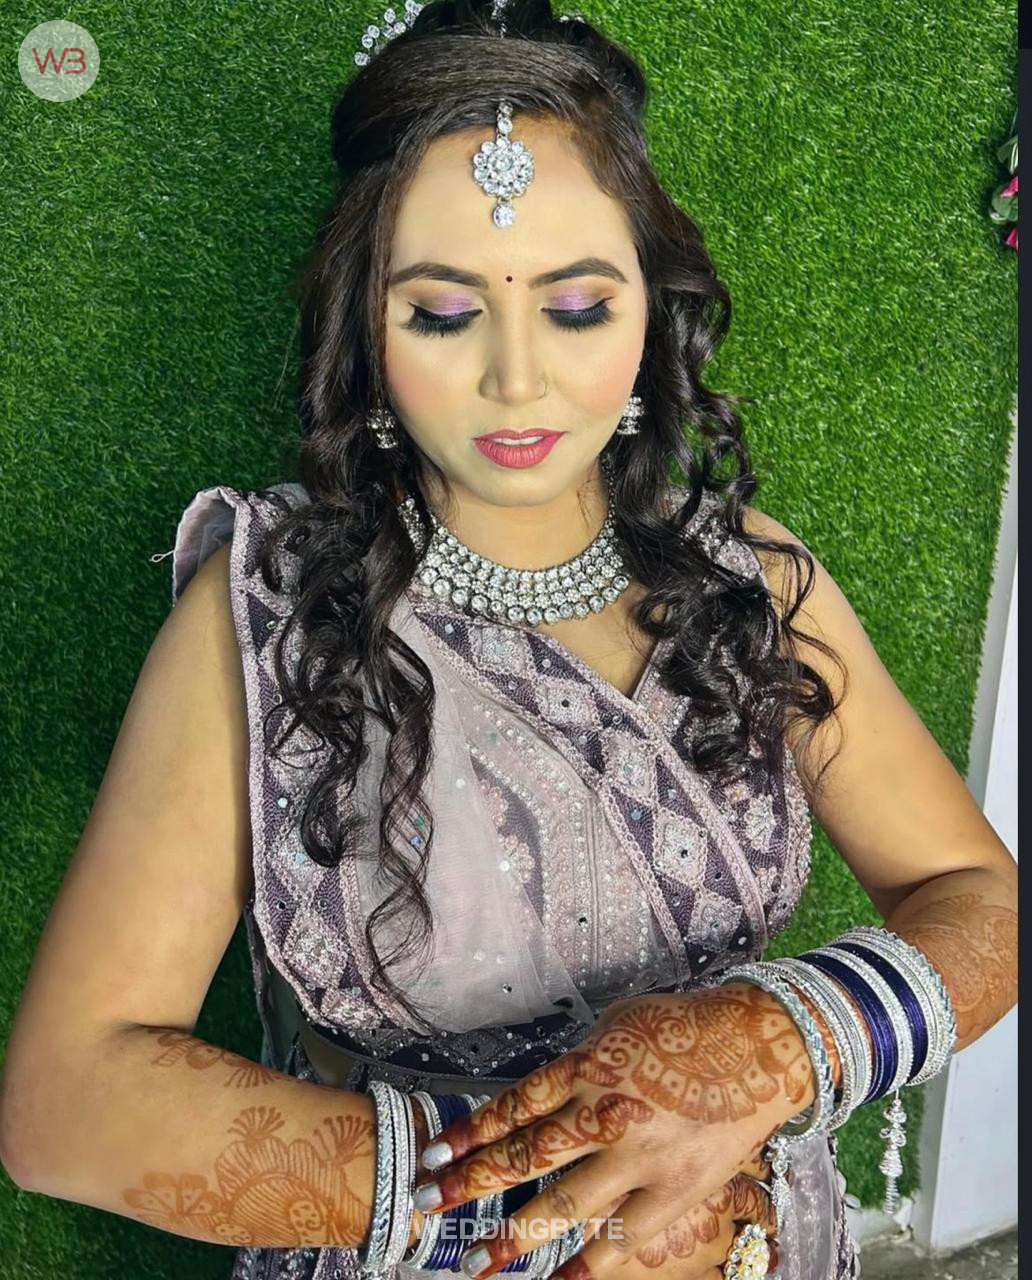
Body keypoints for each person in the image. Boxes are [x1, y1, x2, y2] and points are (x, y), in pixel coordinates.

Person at [0, 4, 1017, 1280]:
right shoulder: (269, 616)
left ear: (651, 306)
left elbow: (981, 897)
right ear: (364, 327)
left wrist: (772, 1043)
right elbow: (68, 1102)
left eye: (578, 305)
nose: (518, 377)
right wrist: (560, 1183)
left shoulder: (745, 577)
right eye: (443, 314)